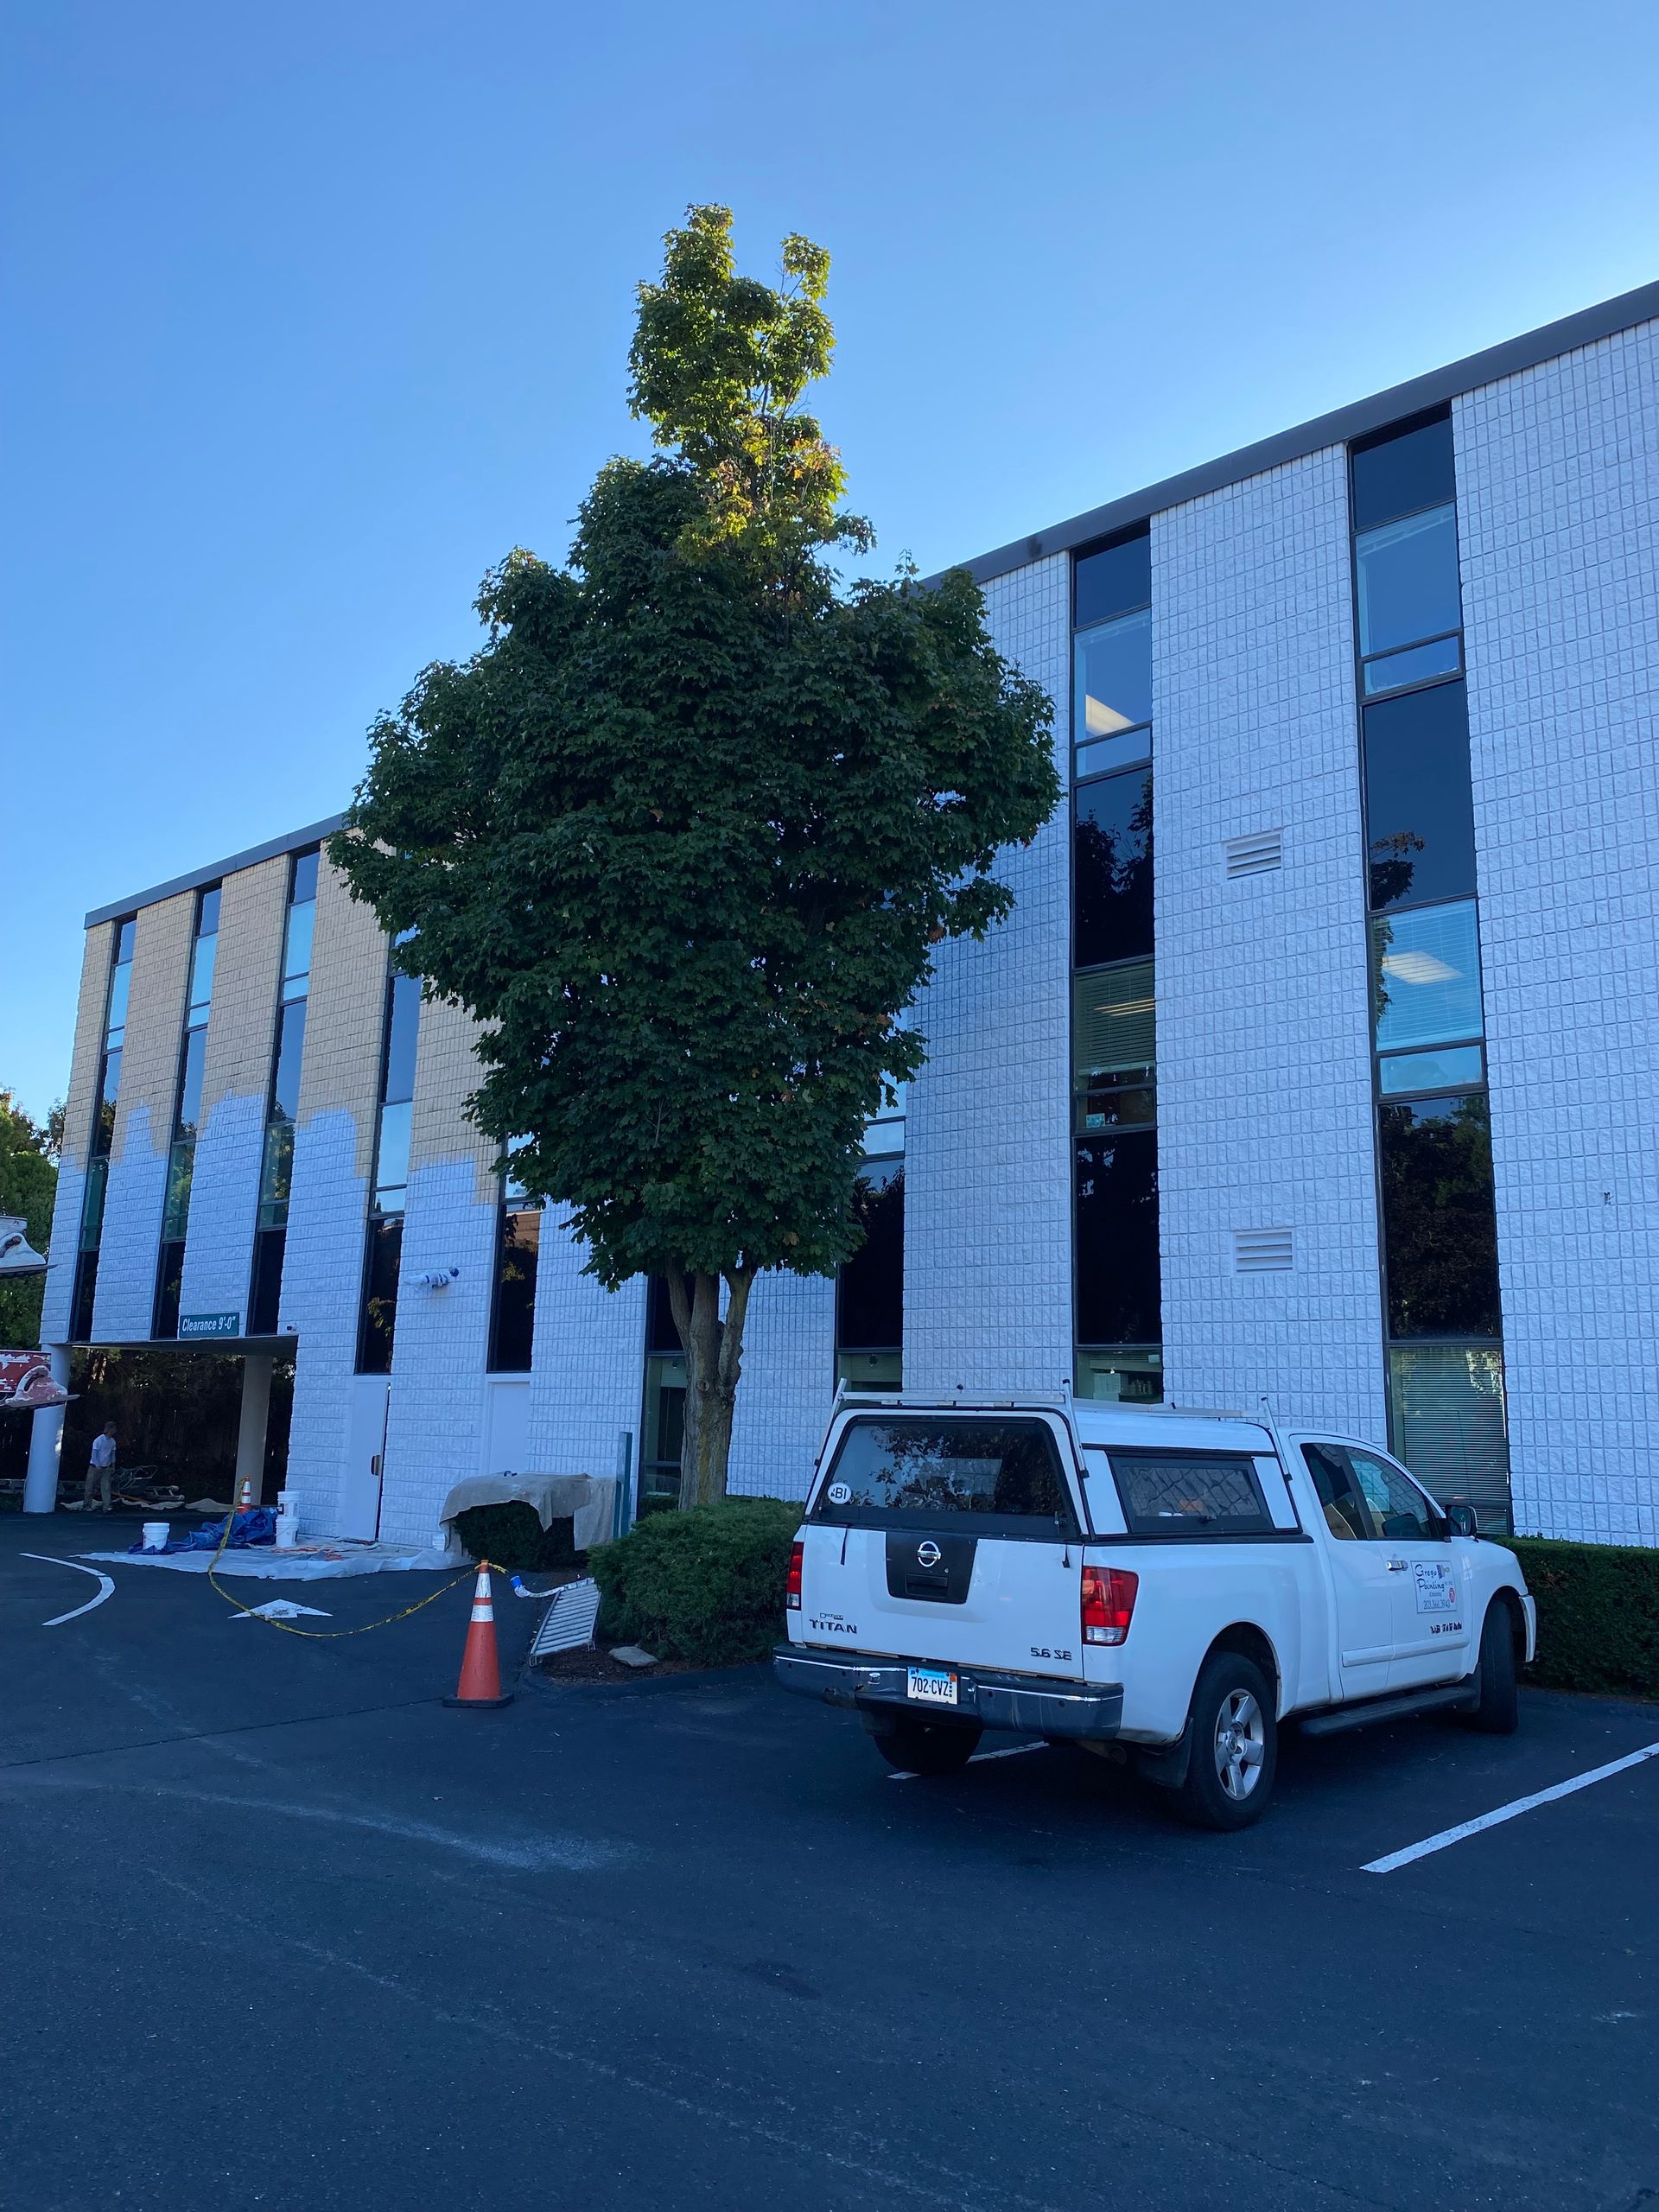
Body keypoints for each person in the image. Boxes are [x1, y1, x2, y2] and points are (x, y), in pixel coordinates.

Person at [81, 1424, 118, 1514]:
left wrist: (113, 1465)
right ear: (109, 1430)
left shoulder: (112, 1441)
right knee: (90, 1487)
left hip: (106, 1468)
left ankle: (106, 1506)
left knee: (106, 1487)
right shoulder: (99, 1440)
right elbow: (94, 1454)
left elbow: (112, 1454)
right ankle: (86, 1505)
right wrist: (97, 1464)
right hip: (95, 1467)